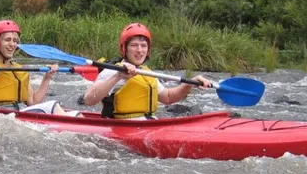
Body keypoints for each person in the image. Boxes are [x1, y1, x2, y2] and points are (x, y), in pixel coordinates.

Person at [82, 22, 212, 119]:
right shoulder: (113, 70)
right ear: (124, 49)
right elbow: (88, 99)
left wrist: (188, 84)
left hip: (148, 124)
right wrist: (118, 76)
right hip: (122, 128)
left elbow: (167, 97)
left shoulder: (146, 71)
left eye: (143, 46)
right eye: (134, 45)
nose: (139, 50)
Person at [0, 19, 74, 115]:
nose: (12, 44)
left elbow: (33, 102)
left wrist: (47, 77)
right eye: (7, 40)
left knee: (76, 114)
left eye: (15, 40)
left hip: (16, 116)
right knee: (52, 105)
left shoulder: (19, 70)